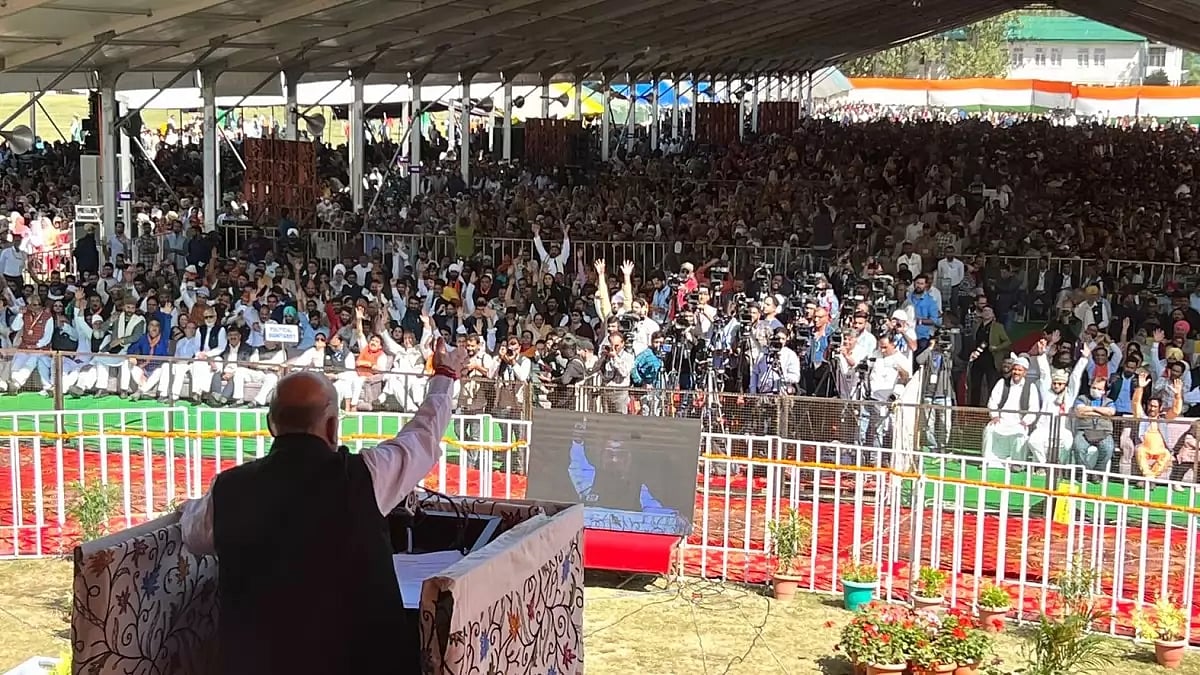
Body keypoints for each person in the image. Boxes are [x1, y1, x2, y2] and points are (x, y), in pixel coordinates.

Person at [179, 337, 465, 675]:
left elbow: (193, 532)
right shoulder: (366, 477)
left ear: (272, 426)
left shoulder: (228, 490)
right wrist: (444, 374)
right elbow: (423, 438)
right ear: (332, 427)